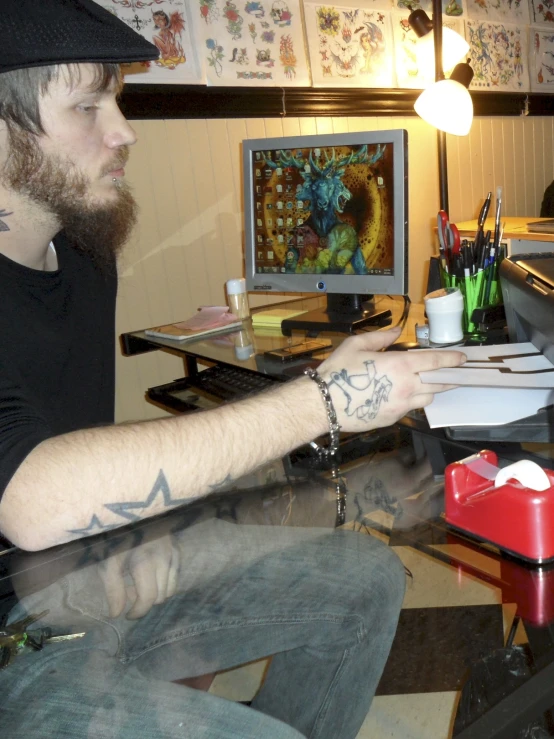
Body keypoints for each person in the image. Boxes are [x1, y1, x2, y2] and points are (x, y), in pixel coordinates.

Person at [0, 1, 466, 736]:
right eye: (88, 106)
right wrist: (321, 400)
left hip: (92, 584)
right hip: (13, 654)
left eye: (116, 97)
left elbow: (70, 453)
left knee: (366, 575)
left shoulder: (85, 250)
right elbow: (29, 496)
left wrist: (138, 531)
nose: (122, 131)